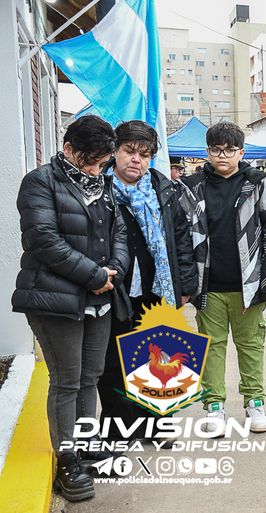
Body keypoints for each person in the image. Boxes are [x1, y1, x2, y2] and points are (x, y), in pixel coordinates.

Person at [12, 115, 129, 502]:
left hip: (98, 297)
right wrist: (94, 274)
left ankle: (85, 442)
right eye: (90, 161)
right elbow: (42, 238)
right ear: (68, 150)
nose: (97, 169)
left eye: (102, 163)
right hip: (54, 299)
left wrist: (116, 268)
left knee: (91, 375)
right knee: (66, 379)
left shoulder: (104, 185)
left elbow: (120, 233)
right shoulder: (40, 182)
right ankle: (66, 459)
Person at [182, 122, 266, 434]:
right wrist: (187, 284)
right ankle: (213, 407)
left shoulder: (258, 184)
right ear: (207, 152)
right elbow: (181, 238)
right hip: (208, 286)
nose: (223, 155)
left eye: (230, 150)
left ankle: (255, 403)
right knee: (211, 346)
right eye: (216, 150)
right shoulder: (191, 187)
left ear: (240, 152)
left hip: (249, 286)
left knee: (251, 345)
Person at [97, 120, 198, 443]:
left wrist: (184, 286)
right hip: (116, 291)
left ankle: (156, 425)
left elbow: (181, 239)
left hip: (158, 288)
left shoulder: (163, 190)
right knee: (113, 361)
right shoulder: (99, 189)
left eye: (144, 154)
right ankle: (119, 427)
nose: (135, 160)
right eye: (129, 151)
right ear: (115, 152)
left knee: (160, 358)